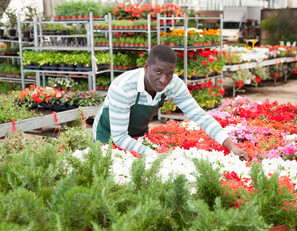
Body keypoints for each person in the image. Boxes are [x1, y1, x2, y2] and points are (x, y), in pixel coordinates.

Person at [93, 45, 249, 161]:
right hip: (108, 135)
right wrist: (154, 155)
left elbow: (200, 116)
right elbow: (119, 137)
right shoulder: (124, 88)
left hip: (137, 135)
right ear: (146, 67)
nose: (164, 80)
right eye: (158, 71)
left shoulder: (173, 84)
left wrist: (232, 147)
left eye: (169, 73)